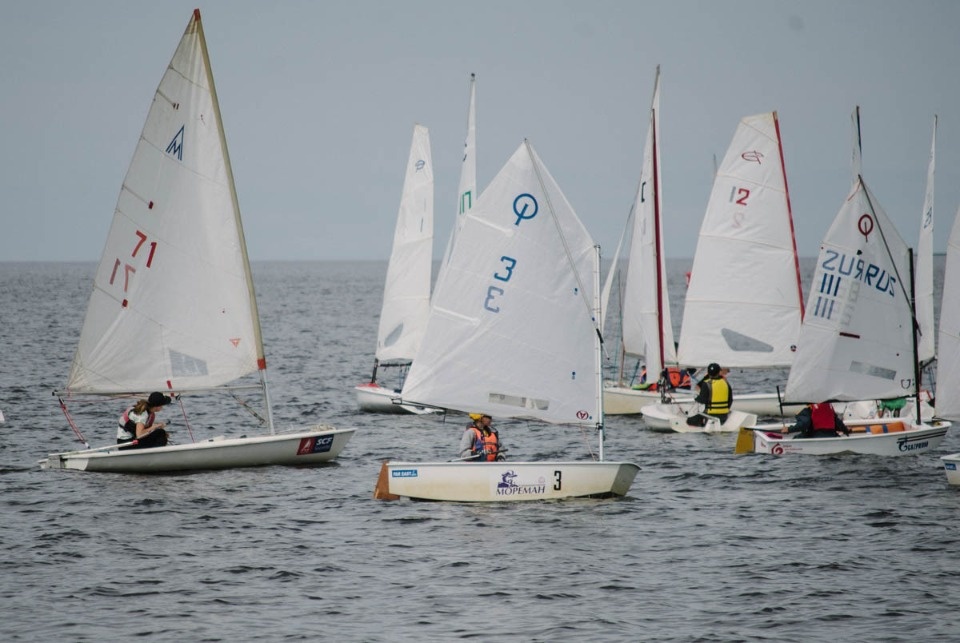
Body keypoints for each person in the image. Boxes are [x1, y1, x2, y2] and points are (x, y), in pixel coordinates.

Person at [687, 362, 732, 426]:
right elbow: (730, 400)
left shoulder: (706, 383)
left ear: (709, 373)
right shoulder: (725, 383)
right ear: (719, 372)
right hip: (724, 416)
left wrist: (696, 398)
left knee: (689, 421)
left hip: (711, 416)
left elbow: (701, 400)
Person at [783, 402, 849, 438]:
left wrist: (789, 429)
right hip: (832, 435)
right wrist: (846, 431)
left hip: (815, 436)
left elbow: (804, 424)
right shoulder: (828, 407)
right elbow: (838, 423)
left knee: (796, 438)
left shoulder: (808, 410)